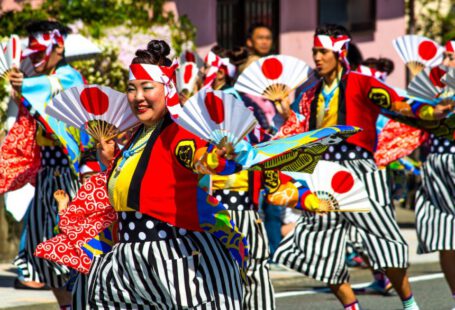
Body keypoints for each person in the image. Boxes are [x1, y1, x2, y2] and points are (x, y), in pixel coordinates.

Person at [273, 24, 453, 310]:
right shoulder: (309, 94)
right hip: (323, 172)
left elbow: (400, 103)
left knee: (384, 241)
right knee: (318, 247)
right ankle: (351, 307)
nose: (317, 57)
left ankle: (409, 304)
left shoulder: (362, 83)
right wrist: (285, 113)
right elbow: (297, 133)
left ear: (340, 52)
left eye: (323, 51)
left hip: (362, 170)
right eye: (315, 52)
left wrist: (432, 111)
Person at [87, 39, 245, 309]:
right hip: (129, 257)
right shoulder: (136, 135)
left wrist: (210, 160)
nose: (138, 97)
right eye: (131, 89)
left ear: (167, 89)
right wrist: (111, 161)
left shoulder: (178, 132)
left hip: (176, 255)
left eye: (147, 87)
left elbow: (194, 156)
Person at [5, 20, 86, 309]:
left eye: (41, 52)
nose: (35, 59)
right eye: (33, 53)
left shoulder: (70, 77)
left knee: (71, 252)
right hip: (45, 179)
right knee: (46, 257)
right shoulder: (41, 80)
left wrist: (25, 86)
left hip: (70, 178)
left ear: (59, 46)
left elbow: (50, 89)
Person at [414, 39, 455, 309]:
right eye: (446, 58)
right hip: (436, 163)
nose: (446, 63)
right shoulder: (433, 89)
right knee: (444, 235)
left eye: (451, 58)